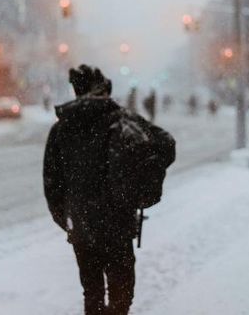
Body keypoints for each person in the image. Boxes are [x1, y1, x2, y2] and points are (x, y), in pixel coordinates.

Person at [43, 65, 175, 315]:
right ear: (104, 89)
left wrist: (69, 219)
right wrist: (142, 183)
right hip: (118, 221)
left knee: (92, 292)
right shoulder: (123, 120)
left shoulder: (61, 129)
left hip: (82, 224)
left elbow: (52, 185)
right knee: (121, 291)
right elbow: (165, 144)